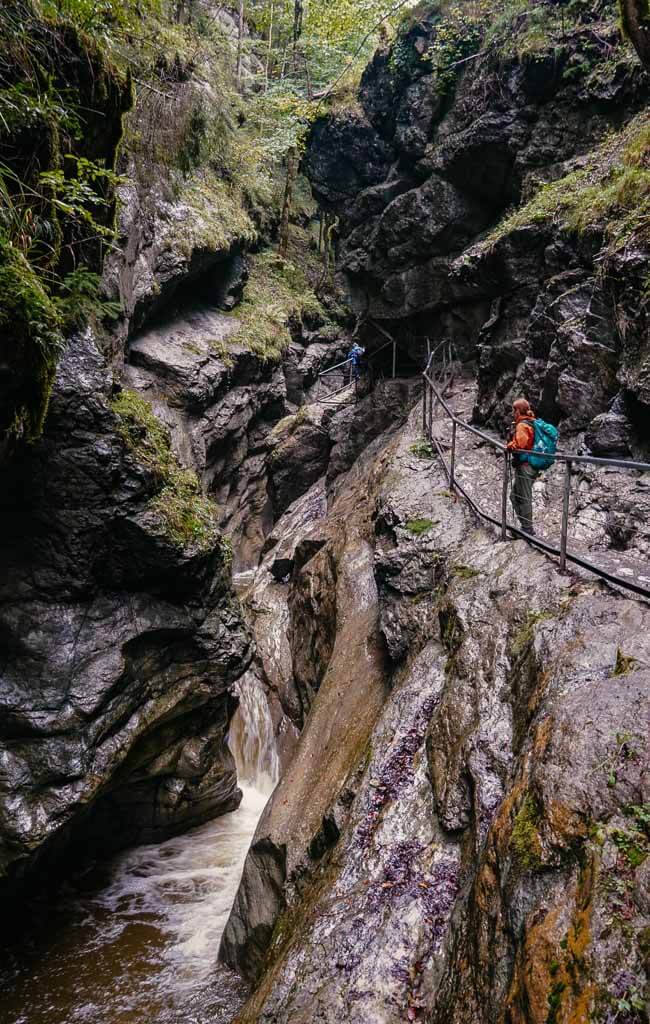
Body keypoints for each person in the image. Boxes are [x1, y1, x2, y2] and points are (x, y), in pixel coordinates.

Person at [506, 397, 538, 536]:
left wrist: (510, 445)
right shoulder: (531, 422)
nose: (513, 413)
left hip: (526, 466)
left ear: (518, 410)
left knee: (523, 497)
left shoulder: (522, 425)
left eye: (514, 410)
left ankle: (527, 529)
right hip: (529, 465)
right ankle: (525, 526)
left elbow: (521, 444)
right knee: (514, 496)